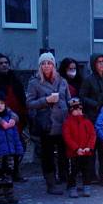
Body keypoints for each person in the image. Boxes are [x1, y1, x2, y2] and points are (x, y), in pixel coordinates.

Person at [27, 51, 70, 195]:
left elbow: (68, 99)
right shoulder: (34, 83)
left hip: (63, 123)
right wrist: (45, 101)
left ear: (54, 65)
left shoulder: (62, 81)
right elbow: (29, 103)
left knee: (64, 153)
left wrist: (73, 105)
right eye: (43, 63)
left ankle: (64, 179)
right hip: (47, 125)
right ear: (40, 66)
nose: (46, 66)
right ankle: (51, 184)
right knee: (48, 155)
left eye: (49, 63)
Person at [62, 97, 96, 198]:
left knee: (87, 170)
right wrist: (76, 148)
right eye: (76, 109)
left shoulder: (87, 121)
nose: (78, 111)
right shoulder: (67, 123)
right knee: (73, 171)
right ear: (71, 111)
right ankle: (72, 187)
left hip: (86, 152)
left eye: (80, 109)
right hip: (74, 153)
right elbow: (67, 137)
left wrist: (89, 147)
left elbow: (92, 135)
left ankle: (87, 186)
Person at [80, 54, 103, 122]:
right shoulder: (88, 80)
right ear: (94, 64)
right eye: (99, 62)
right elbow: (82, 97)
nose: (102, 64)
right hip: (94, 114)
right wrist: (96, 104)